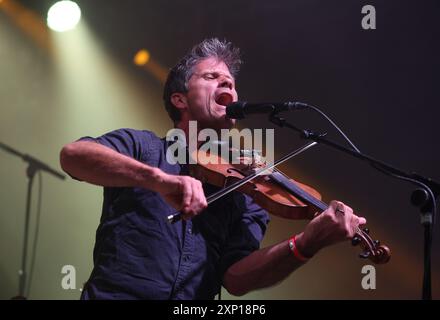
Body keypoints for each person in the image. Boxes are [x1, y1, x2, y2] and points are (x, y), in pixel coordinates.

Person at [60, 38, 366, 299]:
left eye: (231, 81)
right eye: (211, 76)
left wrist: (305, 244)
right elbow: (73, 156)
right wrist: (160, 180)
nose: (228, 83)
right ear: (179, 99)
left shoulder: (246, 192)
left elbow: (235, 279)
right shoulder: (142, 146)